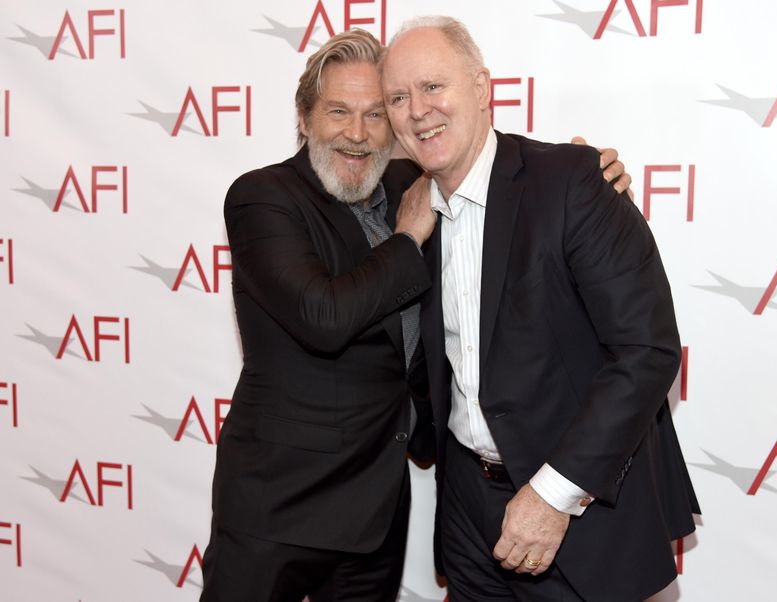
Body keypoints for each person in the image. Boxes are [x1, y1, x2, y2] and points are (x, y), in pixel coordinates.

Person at [200, 28, 629, 602]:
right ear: (304, 118)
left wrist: (584, 175)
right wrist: (408, 238)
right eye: (337, 112)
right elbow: (323, 316)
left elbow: (491, 180)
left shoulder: (409, 182)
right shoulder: (263, 197)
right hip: (277, 507)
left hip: (375, 511)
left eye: (377, 114)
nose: (357, 134)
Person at [381, 17, 701, 602]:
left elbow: (647, 351)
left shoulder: (572, 181)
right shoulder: (409, 209)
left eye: (433, 87)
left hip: (579, 509)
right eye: (398, 98)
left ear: (482, 89)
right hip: (467, 515)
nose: (417, 110)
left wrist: (554, 495)